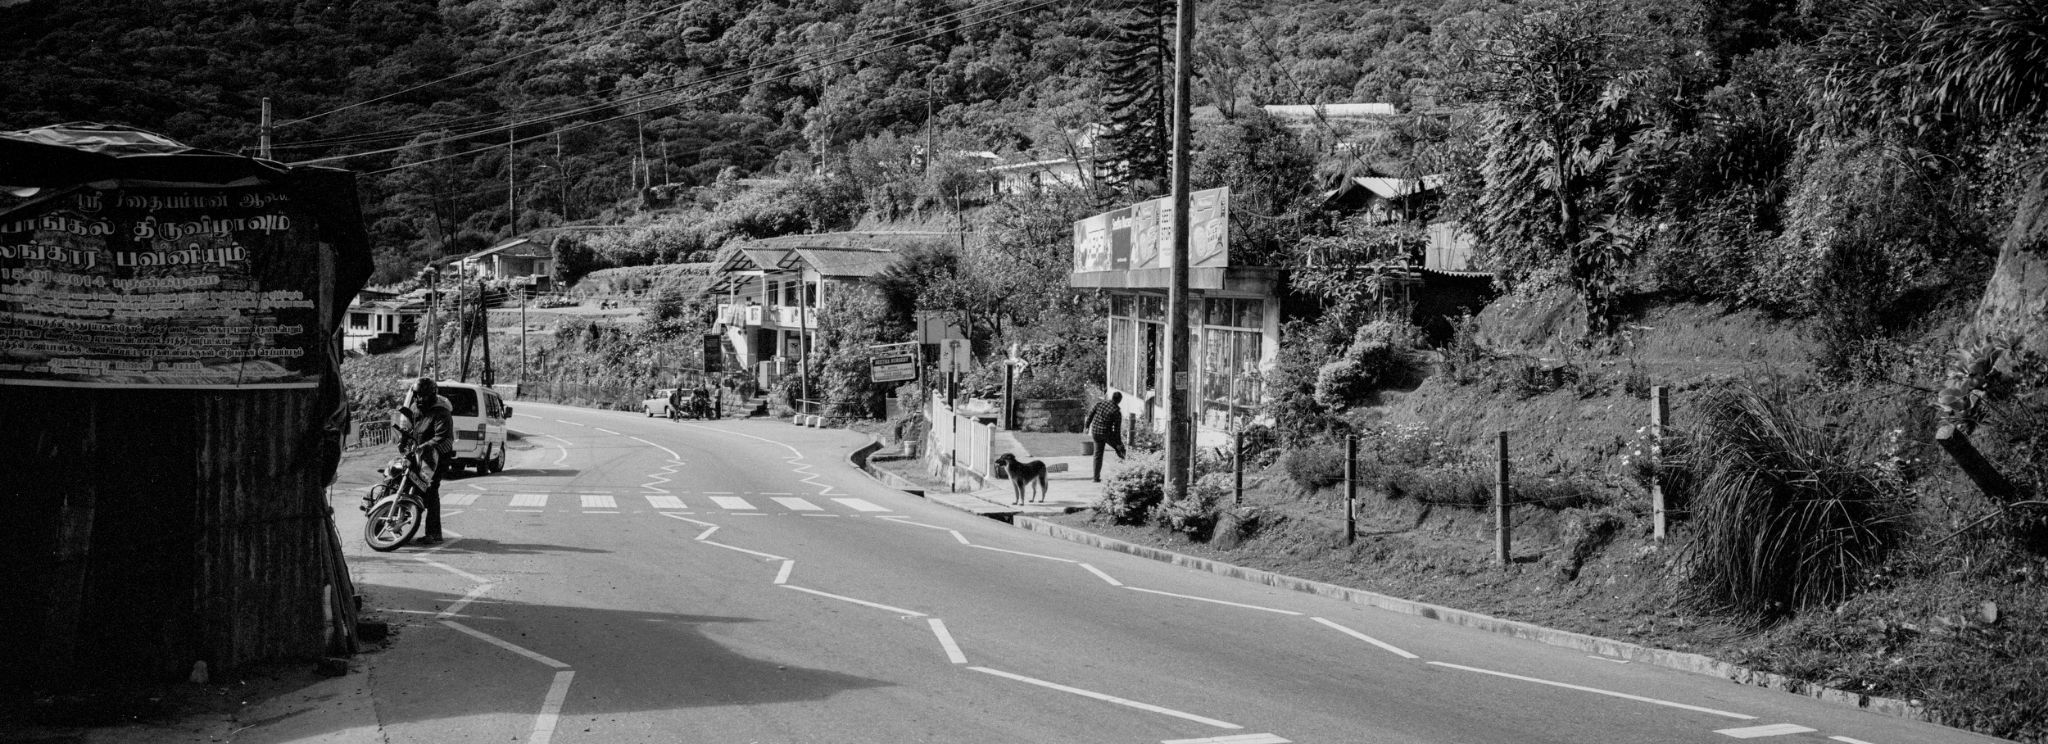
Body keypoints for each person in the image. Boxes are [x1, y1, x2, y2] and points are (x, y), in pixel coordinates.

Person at [404, 377, 456, 544]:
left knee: (431, 490)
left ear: (432, 395)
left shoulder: (442, 413)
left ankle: (434, 533)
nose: (420, 399)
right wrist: (404, 440)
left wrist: (425, 446)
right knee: (402, 480)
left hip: (436, 458)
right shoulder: (415, 409)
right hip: (418, 455)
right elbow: (412, 429)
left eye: (423, 396)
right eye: (417, 395)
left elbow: (442, 438)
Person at [1087, 391, 1126, 482]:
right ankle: (1128, 470)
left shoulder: (1100, 403)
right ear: (1119, 400)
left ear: (1112, 397)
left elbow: (1091, 414)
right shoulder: (1116, 411)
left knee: (1098, 455)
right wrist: (1119, 444)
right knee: (1121, 450)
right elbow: (1117, 430)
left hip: (1095, 432)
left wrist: (1087, 425)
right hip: (1106, 434)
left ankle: (1095, 478)